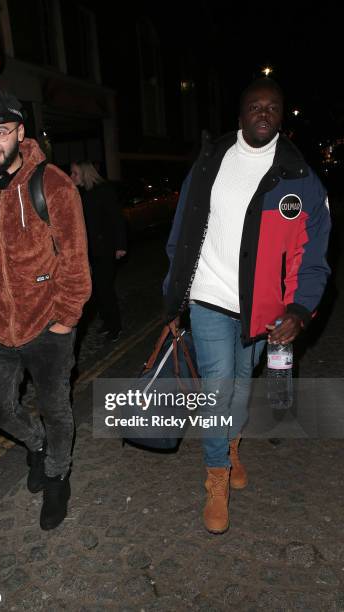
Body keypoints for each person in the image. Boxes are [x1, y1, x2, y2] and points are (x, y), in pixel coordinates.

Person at [163, 78, 331, 534]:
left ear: (282, 116)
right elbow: (181, 231)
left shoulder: (301, 179)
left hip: (265, 310)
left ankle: (232, 445)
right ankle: (215, 475)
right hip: (211, 299)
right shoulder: (210, 163)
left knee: (241, 386)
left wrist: (298, 311)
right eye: (254, 106)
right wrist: (175, 290)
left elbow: (313, 258)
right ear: (240, 116)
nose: (262, 113)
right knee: (219, 390)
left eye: (271, 107)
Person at [0, 89, 91, 531]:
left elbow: (75, 258)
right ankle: (36, 444)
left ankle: (57, 476)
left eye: (0, 132)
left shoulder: (52, 185)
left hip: (47, 324)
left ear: (20, 133)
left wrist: (65, 319)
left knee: (57, 410)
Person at [71, 161, 127, 343]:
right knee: (95, 290)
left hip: (105, 249)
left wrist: (120, 246)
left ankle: (115, 326)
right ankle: (107, 321)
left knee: (105, 289)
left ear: (85, 174)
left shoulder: (103, 191)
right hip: (90, 251)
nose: (72, 177)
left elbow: (117, 219)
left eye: (75, 173)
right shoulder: (83, 193)